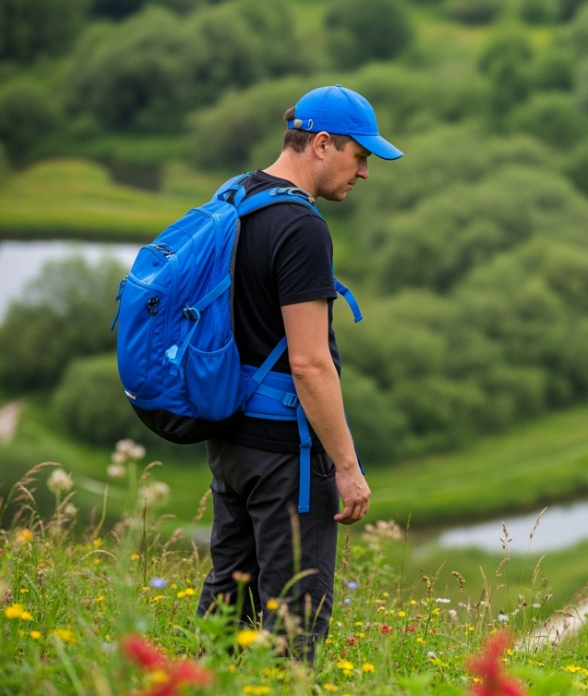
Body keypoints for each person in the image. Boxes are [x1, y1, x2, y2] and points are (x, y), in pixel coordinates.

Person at [195, 85, 402, 660]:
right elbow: (310, 365)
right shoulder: (300, 227)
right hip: (288, 455)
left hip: (230, 441)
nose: (363, 173)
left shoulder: (236, 195)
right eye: (359, 157)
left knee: (227, 611)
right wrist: (348, 468)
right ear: (321, 144)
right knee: (294, 625)